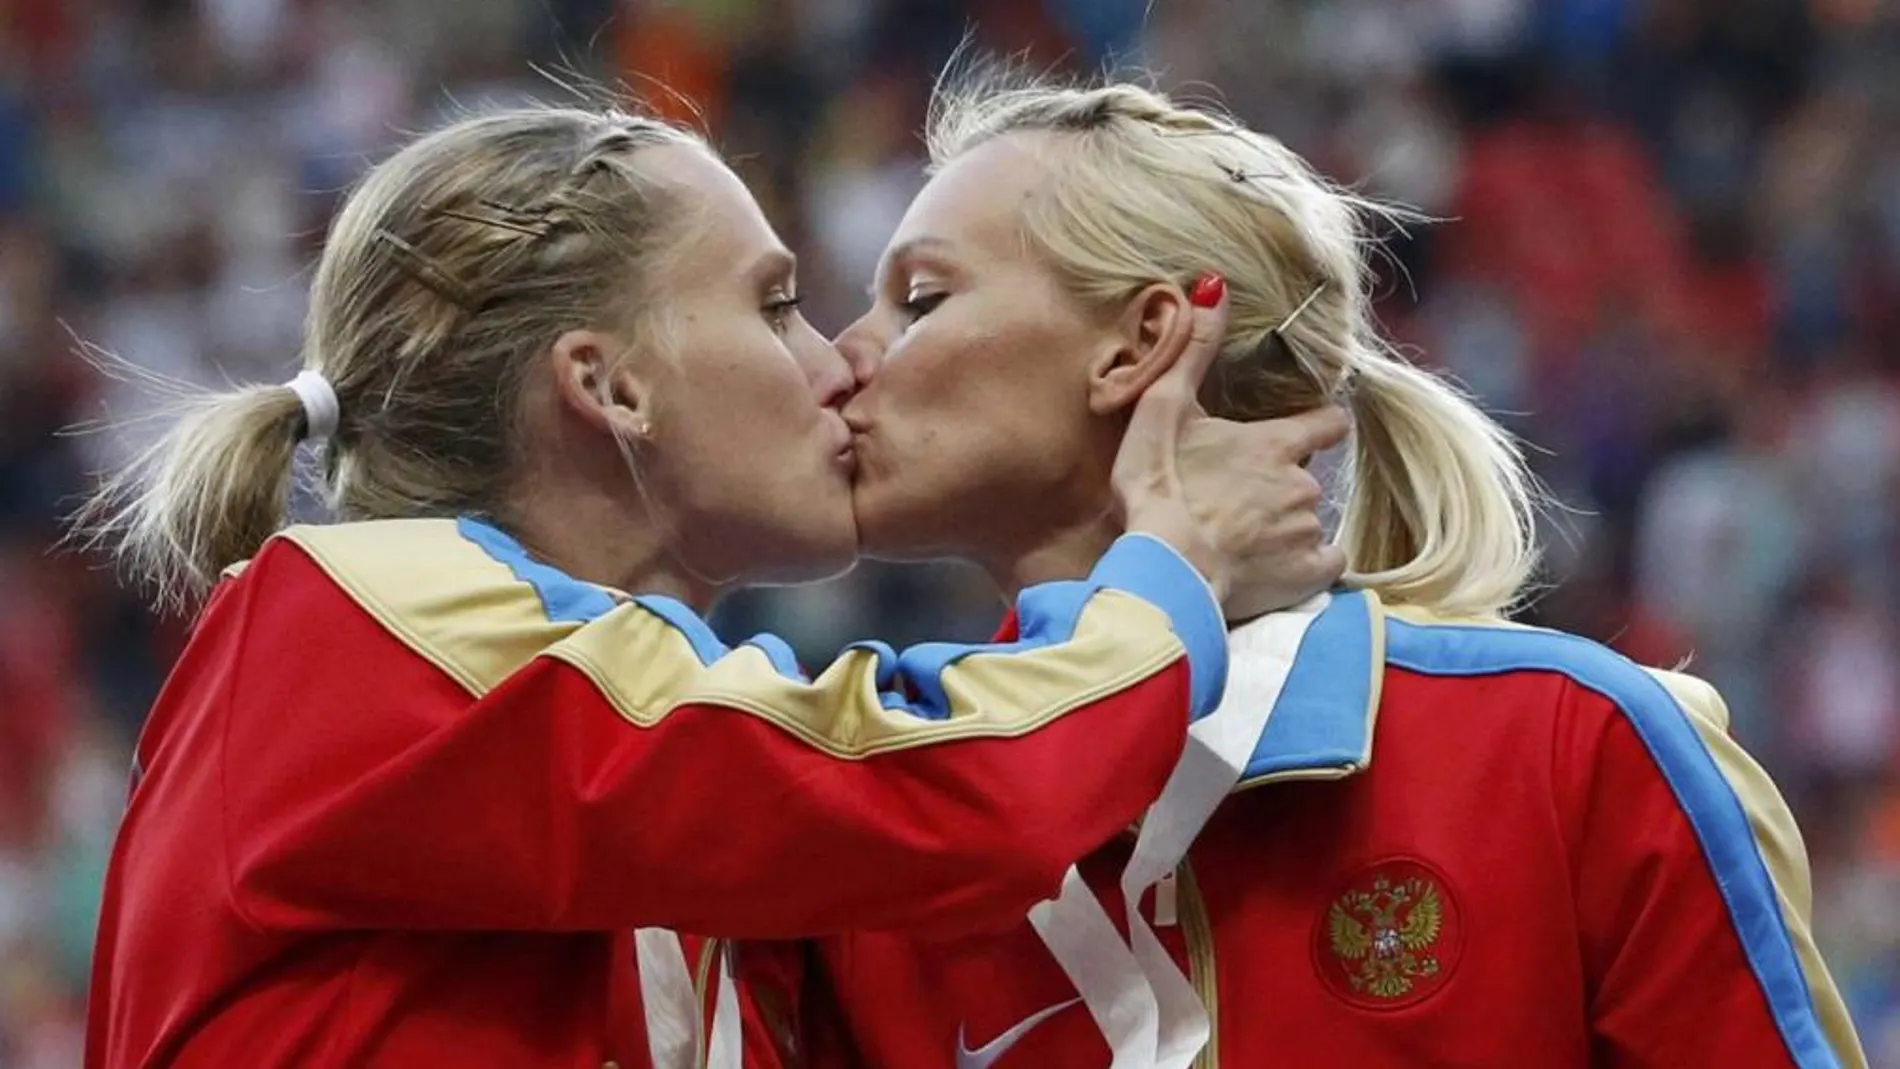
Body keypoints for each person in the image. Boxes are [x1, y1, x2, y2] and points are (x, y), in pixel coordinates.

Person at [73, 103, 1346, 1069]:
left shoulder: (649, 736)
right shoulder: (357, 622)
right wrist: (1167, 567)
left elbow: (855, 739)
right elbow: (937, 788)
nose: (840, 364)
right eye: (777, 304)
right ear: (611, 386)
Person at [795, 73, 1869, 1069]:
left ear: (1137, 345)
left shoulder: (1570, 747)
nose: (842, 353)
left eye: (921, 298)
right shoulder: (875, 837)